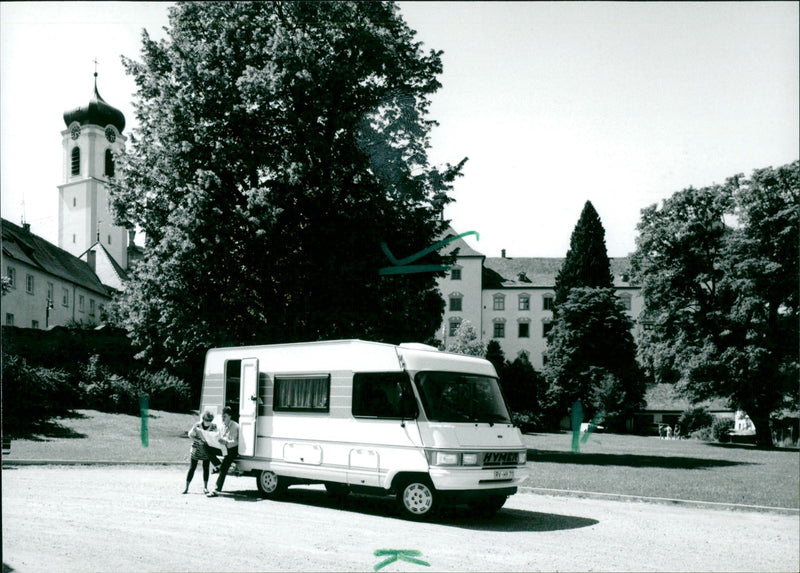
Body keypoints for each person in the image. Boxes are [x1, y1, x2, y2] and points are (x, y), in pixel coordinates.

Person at [206, 406, 239, 497]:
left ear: (230, 416)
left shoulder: (235, 426)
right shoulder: (221, 426)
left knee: (224, 466)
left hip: (232, 450)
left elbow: (236, 442)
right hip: (223, 448)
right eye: (222, 416)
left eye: (224, 416)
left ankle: (216, 489)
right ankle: (218, 466)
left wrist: (226, 442)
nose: (222, 418)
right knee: (206, 446)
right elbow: (219, 438)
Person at [184, 410, 218, 494]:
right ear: (203, 419)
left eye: (210, 420)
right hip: (196, 449)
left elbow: (215, 437)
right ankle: (186, 487)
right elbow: (190, 435)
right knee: (192, 468)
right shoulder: (197, 425)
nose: (208, 422)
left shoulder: (214, 426)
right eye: (207, 420)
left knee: (206, 468)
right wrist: (198, 440)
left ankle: (205, 488)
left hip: (206, 450)